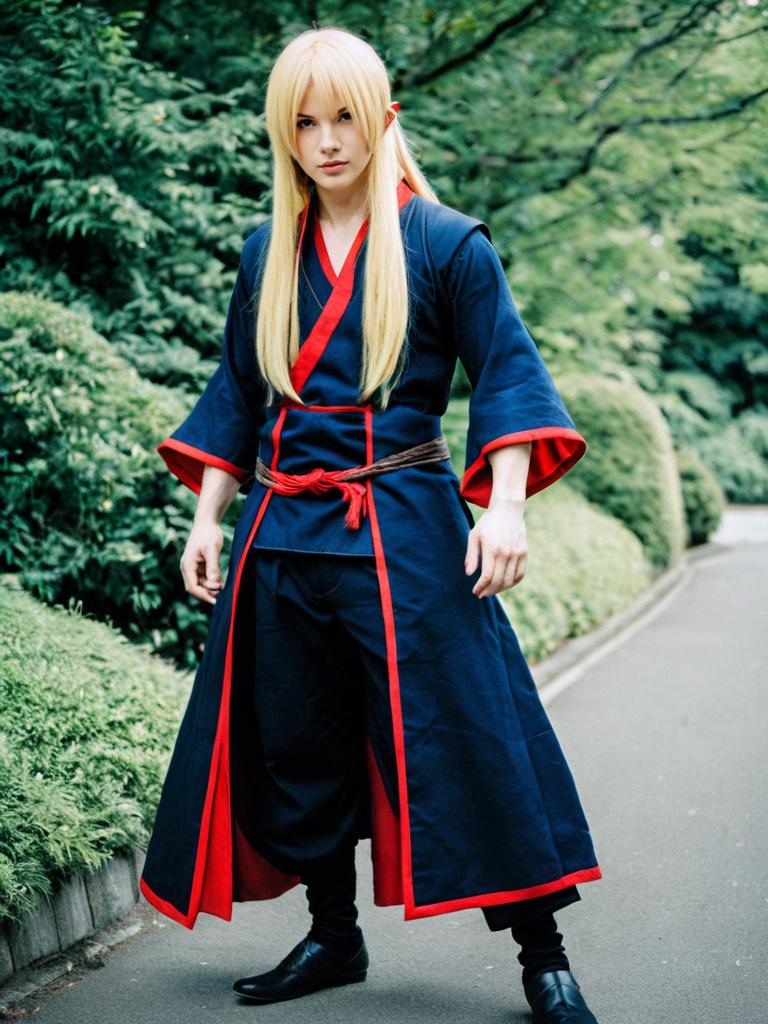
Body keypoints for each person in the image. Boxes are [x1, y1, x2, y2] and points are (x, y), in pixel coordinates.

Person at [139, 24, 601, 1024]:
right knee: (300, 747)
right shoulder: (269, 251)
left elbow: (509, 375)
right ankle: (333, 938)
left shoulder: (445, 242)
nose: (327, 139)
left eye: (343, 115)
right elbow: (236, 396)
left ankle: (544, 955)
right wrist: (208, 518)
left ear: (380, 115)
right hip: (285, 535)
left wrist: (506, 505)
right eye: (304, 122)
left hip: (407, 527)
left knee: (472, 733)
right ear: (285, 136)